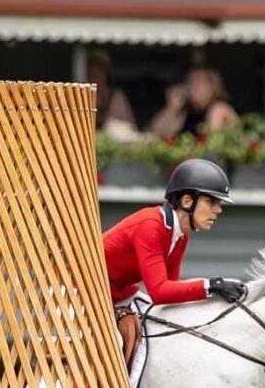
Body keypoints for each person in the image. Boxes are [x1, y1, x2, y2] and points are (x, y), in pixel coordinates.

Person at [101, 158, 246, 308]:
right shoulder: (150, 226)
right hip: (82, 290)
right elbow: (159, 292)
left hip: (114, 294)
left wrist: (211, 289)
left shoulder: (181, 234)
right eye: (211, 202)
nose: (218, 210)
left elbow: (172, 288)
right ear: (187, 201)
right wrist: (210, 285)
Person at [149, 66, 238, 138]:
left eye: (198, 83)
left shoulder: (218, 108)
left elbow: (213, 141)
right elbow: (156, 132)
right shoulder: (188, 112)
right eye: (190, 83)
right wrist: (172, 108)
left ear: (213, 87)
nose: (192, 88)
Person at [86, 48, 137, 134]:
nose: (93, 78)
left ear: (105, 74)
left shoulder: (115, 97)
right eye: (90, 73)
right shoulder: (83, 96)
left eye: (97, 73)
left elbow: (127, 127)